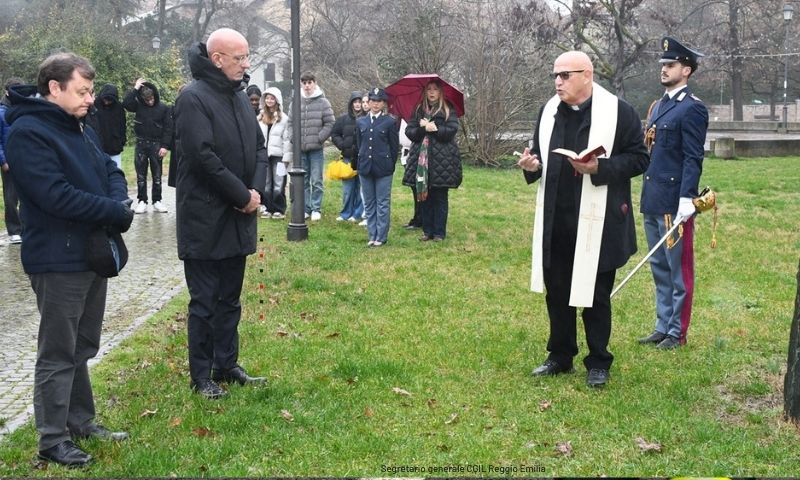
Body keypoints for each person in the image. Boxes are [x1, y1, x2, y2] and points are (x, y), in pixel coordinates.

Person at [5, 52, 133, 467]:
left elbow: (111, 170)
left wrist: (119, 200)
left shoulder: (80, 126)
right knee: (58, 351)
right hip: (56, 260)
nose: (90, 99)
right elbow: (54, 195)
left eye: (91, 91)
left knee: (82, 345)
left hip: (91, 254)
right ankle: (52, 438)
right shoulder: (28, 133)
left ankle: (80, 421)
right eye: (82, 91)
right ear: (54, 88)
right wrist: (113, 211)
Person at [518, 51, 649, 387]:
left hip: (599, 220)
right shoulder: (549, 111)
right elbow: (539, 156)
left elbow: (639, 159)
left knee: (596, 294)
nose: (557, 82)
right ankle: (560, 355)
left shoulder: (618, 112)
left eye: (565, 75)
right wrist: (532, 167)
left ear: (587, 75)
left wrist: (599, 168)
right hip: (556, 218)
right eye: (555, 76)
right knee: (557, 291)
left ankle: (598, 361)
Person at [174, 27, 268, 399]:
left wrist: (253, 193)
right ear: (217, 59)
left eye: (246, 56)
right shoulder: (193, 98)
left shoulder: (240, 96)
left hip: (238, 215)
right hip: (205, 217)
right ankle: (201, 376)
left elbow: (259, 148)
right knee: (205, 302)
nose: (246, 64)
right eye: (240, 57)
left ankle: (226, 364)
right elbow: (202, 157)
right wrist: (240, 194)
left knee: (230, 298)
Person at [637, 37, 709, 350]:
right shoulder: (658, 106)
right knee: (660, 267)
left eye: (671, 65)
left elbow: (693, 157)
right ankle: (662, 325)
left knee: (678, 270)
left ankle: (677, 332)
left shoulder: (692, 108)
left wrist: (686, 198)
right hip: (653, 197)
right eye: (663, 65)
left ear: (687, 70)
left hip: (673, 203)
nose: (664, 69)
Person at [403, 80, 463, 241]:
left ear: (440, 92)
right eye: (429, 89)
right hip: (421, 161)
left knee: (440, 196)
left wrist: (434, 128)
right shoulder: (418, 109)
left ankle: (439, 233)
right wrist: (423, 128)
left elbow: (451, 131)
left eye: (435, 89)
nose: (431, 92)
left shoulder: (448, 109)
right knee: (424, 196)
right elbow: (410, 131)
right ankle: (427, 231)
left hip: (442, 161)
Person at [354, 87, 399, 247]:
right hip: (365, 167)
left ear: (383, 103)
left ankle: (381, 235)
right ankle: (372, 234)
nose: (375, 104)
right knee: (369, 202)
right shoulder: (361, 121)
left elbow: (394, 147)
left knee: (382, 202)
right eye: (373, 100)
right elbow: (359, 144)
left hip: (383, 168)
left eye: (379, 101)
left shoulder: (390, 122)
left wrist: (389, 165)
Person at [286, 72, 334, 221]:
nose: (307, 86)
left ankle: (316, 208)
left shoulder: (323, 102)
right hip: (300, 149)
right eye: (304, 83)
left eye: (309, 82)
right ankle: (306, 208)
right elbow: (290, 123)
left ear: (314, 83)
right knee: (303, 180)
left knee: (317, 180)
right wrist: (293, 138)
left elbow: (330, 123)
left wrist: (319, 138)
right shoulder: (295, 102)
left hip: (316, 149)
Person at [123, 77, 172, 214]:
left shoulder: (164, 108)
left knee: (157, 176)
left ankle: (157, 201)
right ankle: (142, 201)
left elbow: (168, 128)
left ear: (155, 95)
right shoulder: (138, 105)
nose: (150, 102)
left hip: (156, 145)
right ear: (142, 99)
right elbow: (126, 103)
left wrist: (165, 146)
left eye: (151, 99)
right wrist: (136, 88)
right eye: (147, 100)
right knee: (141, 176)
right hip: (141, 144)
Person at [330, 91, 364, 222]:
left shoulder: (366, 118)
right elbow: (334, 134)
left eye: (359, 102)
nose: (357, 104)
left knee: (360, 188)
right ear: (351, 104)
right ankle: (346, 213)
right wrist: (342, 145)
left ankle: (357, 213)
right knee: (348, 188)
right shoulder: (343, 119)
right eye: (355, 102)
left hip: (361, 158)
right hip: (347, 158)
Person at [258, 87, 290, 219]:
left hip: (279, 156)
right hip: (264, 155)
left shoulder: (284, 118)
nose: (269, 101)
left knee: (279, 183)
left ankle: (279, 209)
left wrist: (287, 157)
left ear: (277, 100)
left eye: (272, 98)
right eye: (267, 98)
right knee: (266, 184)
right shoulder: (260, 118)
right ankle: (267, 207)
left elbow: (287, 139)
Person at [0, 77, 23, 244]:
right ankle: (14, 230)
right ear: (7, 92)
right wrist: (3, 161)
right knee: (11, 197)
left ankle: (27, 226)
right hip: (9, 161)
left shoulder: (23, 109)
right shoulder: (1, 112)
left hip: (26, 158)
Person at [85, 83, 126, 169]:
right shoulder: (94, 105)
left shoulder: (118, 107)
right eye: (105, 100)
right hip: (99, 145)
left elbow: (122, 126)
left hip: (114, 145)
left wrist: (122, 141)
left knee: (116, 169)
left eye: (109, 101)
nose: (107, 103)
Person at [398, 118, 421, 230]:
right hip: (406, 152)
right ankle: (417, 217)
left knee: (418, 187)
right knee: (414, 188)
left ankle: (420, 218)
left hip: (416, 152)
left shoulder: (416, 117)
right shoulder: (402, 118)